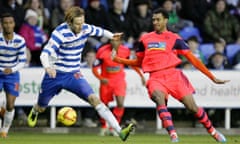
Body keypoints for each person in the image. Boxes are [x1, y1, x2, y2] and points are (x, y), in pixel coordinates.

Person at [111, 8, 229, 143]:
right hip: (156, 77)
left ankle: (213, 132)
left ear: (165, 20)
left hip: (173, 76)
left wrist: (212, 77)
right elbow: (139, 62)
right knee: (158, 98)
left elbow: (193, 60)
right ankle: (173, 135)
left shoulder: (174, 38)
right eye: (153, 19)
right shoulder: (145, 39)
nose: (155, 22)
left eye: (158, 19)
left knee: (192, 108)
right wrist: (119, 60)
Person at [26, 6, 134, 142]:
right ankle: (35, 110)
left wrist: (112, 36)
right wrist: (47, 67)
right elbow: (45, 53)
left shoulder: (85, 28)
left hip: (73, 74)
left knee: (95, 100)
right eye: (77, 24)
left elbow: (101, 31)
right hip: (55, 74)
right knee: (41, 107)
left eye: (82, 23)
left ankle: (120, 132)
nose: (81, 27)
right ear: (69, 22)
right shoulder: (60, 33)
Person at [92, 40, 145, 136]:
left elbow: (132, 63)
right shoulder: (102, 51)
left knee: (120, 103)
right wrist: (101, 78)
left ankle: (114, 127)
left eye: (117, 41)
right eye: (112, 40)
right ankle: (104, 127)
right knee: (104, 105)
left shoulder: (125, 51)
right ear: (110, 41)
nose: (114, 43)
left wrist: (141, 75)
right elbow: (94, 67)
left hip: (119, 81)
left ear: (120, 42)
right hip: (106, 81)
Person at [0, 13, 27, 138]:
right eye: (5, 23)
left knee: (10, 105)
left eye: (10, 22)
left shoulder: (20, 40)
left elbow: (22, 61)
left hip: (12, 74)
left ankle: (5, 130)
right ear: (2, 24)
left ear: (14, 24)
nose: (8, 25)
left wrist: (11, 69)